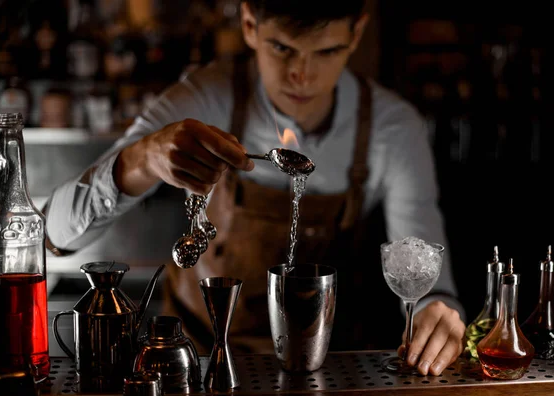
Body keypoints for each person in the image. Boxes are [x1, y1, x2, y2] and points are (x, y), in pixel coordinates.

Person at [44, 0, 466, 376]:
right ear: (249, 24)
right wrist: (143, 158)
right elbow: (55, 235)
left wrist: (436, 315)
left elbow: (426, 271)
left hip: (328, 373)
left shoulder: (394, 130)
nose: (301, 74)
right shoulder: (207, 95)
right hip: (201, 368)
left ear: (356, 34)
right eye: (282, 48)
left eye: (327, 51)